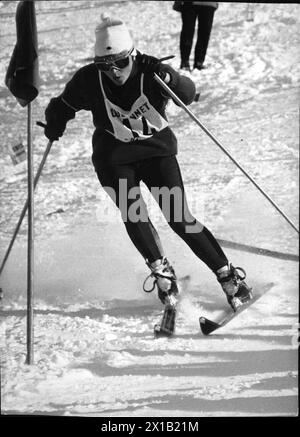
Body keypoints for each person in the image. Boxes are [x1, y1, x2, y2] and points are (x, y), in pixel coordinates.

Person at [42, 14, 252, 313]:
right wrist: (54, 125)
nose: (114, 71)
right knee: (134, 214)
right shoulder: (89, 78)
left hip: (156, 153)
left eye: (121, 62)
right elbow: (62, 105)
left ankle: (229, 277)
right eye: (105, 65)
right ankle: (163, 274)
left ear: (132, 55)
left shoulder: (150, 72)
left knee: (179, 217)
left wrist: (170, 77)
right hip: (114, 159)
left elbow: (188, 95)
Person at [175, 1, 218, 72]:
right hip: (189, 3)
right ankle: (184, 62)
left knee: (204, 33)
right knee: (187, 32)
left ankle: (199, 62)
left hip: (209, 4)